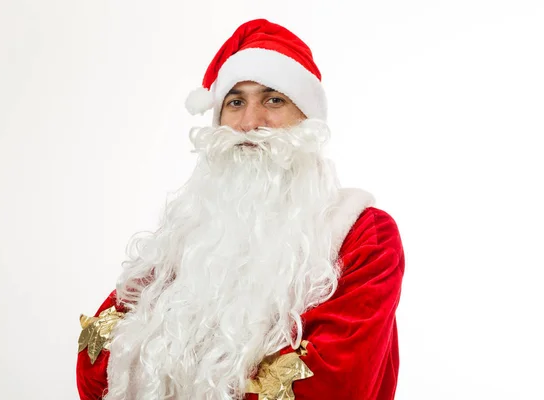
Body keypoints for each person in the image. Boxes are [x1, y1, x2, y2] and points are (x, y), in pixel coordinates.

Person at [76, 18, 405, 400]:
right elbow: (95, 363)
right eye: (235, 102)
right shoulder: (190, 234)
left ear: (307, 119)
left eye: (273, 99)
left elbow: (332, 383)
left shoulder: (363, 236)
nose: (250, 123)